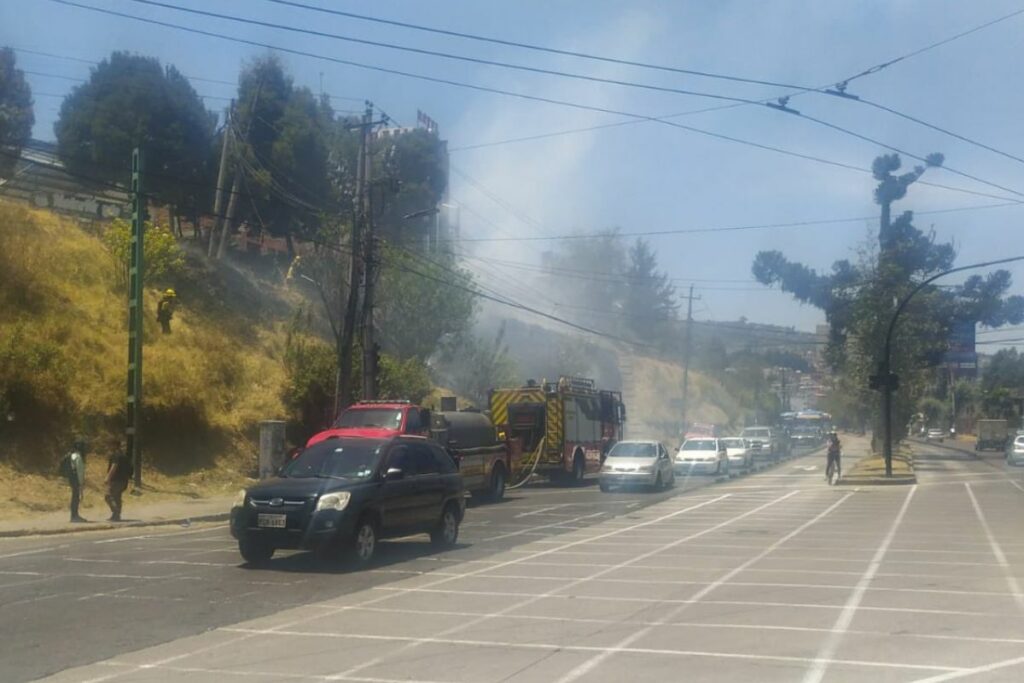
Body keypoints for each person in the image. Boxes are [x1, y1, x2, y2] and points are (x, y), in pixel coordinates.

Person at [60, 440, 88, 522]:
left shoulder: (72, 455)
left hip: (71, 479)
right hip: (76, 480)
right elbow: (80, 471)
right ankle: (74, 516)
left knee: (74, 497)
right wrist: (81, 483)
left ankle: (74, 515)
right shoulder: (78, 457)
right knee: (76, 498)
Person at [104, 446, 133, 522]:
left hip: (116, 480)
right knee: (117, 497)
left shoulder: (115, 456)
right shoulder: (125, 457)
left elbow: (114, 466)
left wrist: (108, 477)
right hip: (124, 481)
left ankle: (116, 512)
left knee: (108, 496)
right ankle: (116, 516)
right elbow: (131, 468)